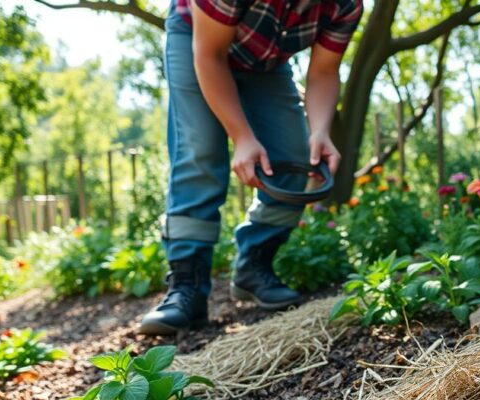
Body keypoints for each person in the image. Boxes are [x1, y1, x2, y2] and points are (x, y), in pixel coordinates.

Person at [140, 0, 363, 335]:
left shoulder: (345, 6)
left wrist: (319, 131)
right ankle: (187, 287)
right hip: (197, 42)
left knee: (295, 159)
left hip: (265, 61)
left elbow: (324, 72)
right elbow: (210, 56)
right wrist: (242, 137)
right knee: (200, 152)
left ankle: (253, 264)